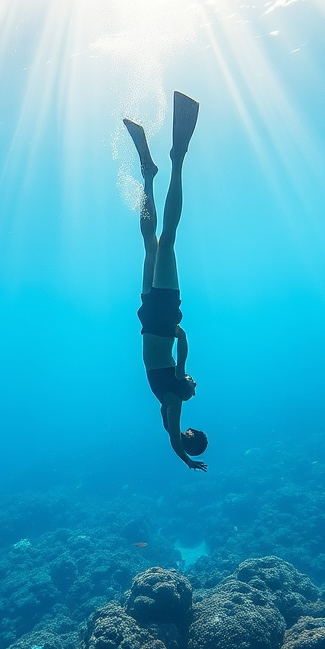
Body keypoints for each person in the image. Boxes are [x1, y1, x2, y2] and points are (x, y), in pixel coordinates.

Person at [124, 92, 208, 472]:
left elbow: (170, 431)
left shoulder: (172, 399)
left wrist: (180, 349)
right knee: (164, 239)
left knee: (150, 243)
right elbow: (173, 435)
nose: (193, 383)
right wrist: (185, 458)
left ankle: (149, 174)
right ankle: (177, 160)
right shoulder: (176, 395)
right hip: (158, 319)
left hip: (152, 318)